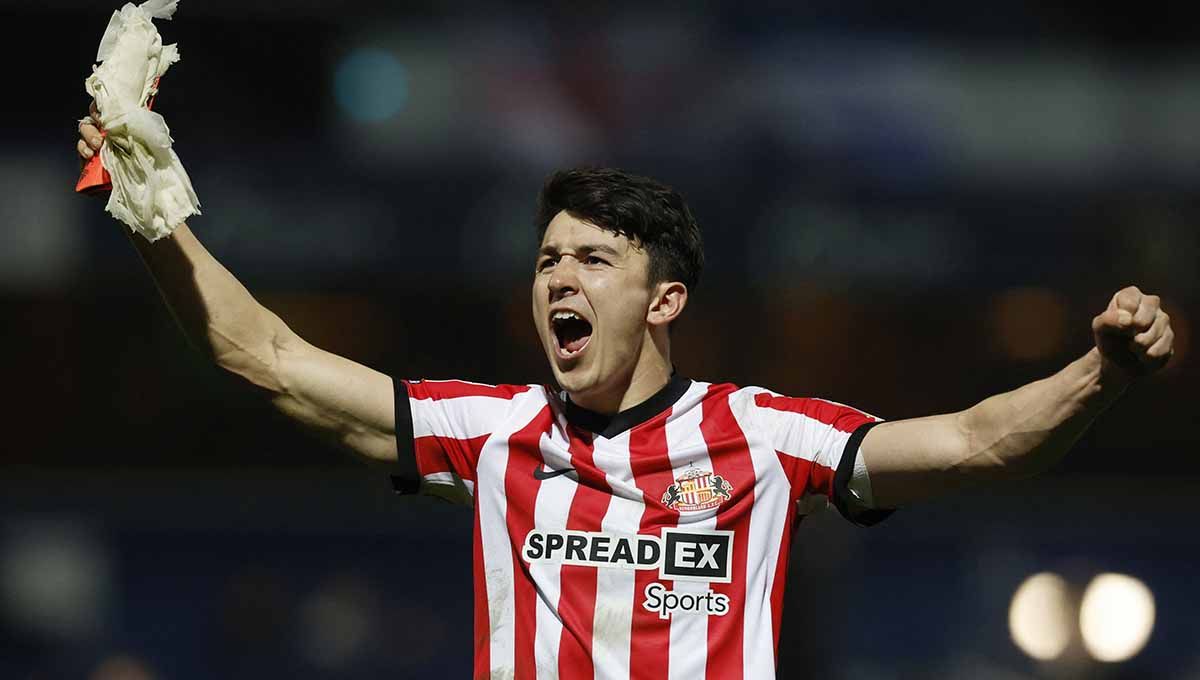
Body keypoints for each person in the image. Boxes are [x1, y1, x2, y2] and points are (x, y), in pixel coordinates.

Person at [76, 105, 1174, 680]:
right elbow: (262, 354)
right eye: (548, 258)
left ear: (665, 300)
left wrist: (1103, 370)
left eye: (593, 260)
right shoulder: (494, 432)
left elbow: (981, 442)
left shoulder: (762, 434)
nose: (559, 275)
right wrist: (152, 209)